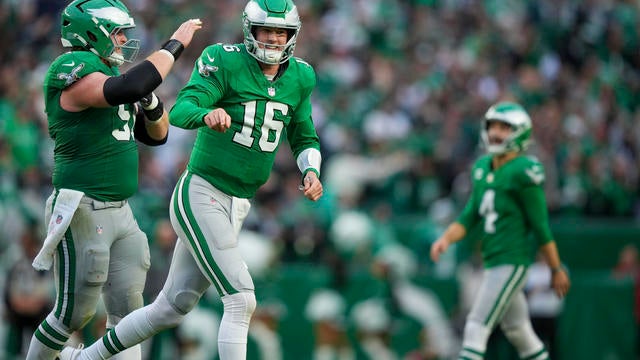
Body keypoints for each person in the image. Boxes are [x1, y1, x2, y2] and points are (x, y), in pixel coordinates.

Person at [59, 0, 323, 359]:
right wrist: (207, 113)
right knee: (241, 297)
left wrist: (311, 169)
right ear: (250, 30)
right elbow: (182, 109)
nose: (274, 39)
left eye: (281, 32)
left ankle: (85, 357)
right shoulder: (225, 60)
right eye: (267, 31)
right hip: (203, 192)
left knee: (172, 306)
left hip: (239, 202)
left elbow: (304, 134)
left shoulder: (302, 75)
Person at [25, 0, 201, 359]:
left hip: (121, 209)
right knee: (72, 314)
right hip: (82, 205)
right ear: (92, 33)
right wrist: (174, 45)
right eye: (118, 33)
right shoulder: (71, 66)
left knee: (128, 313)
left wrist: (151, 107)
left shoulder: (106, 72)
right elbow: (126, 88)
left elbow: (156, 135)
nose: (122, 40)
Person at [429, 101, 571, 360]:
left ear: (520, 132)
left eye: (504, 128)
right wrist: (446, 239)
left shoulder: (524, 172)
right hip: (493, 261)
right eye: (493, 126)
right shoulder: (482, 168)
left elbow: (540, 225)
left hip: (512, 260)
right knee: (519, 332)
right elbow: (470, 215)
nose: (496, 133)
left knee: (475, 326)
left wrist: (555, 267)